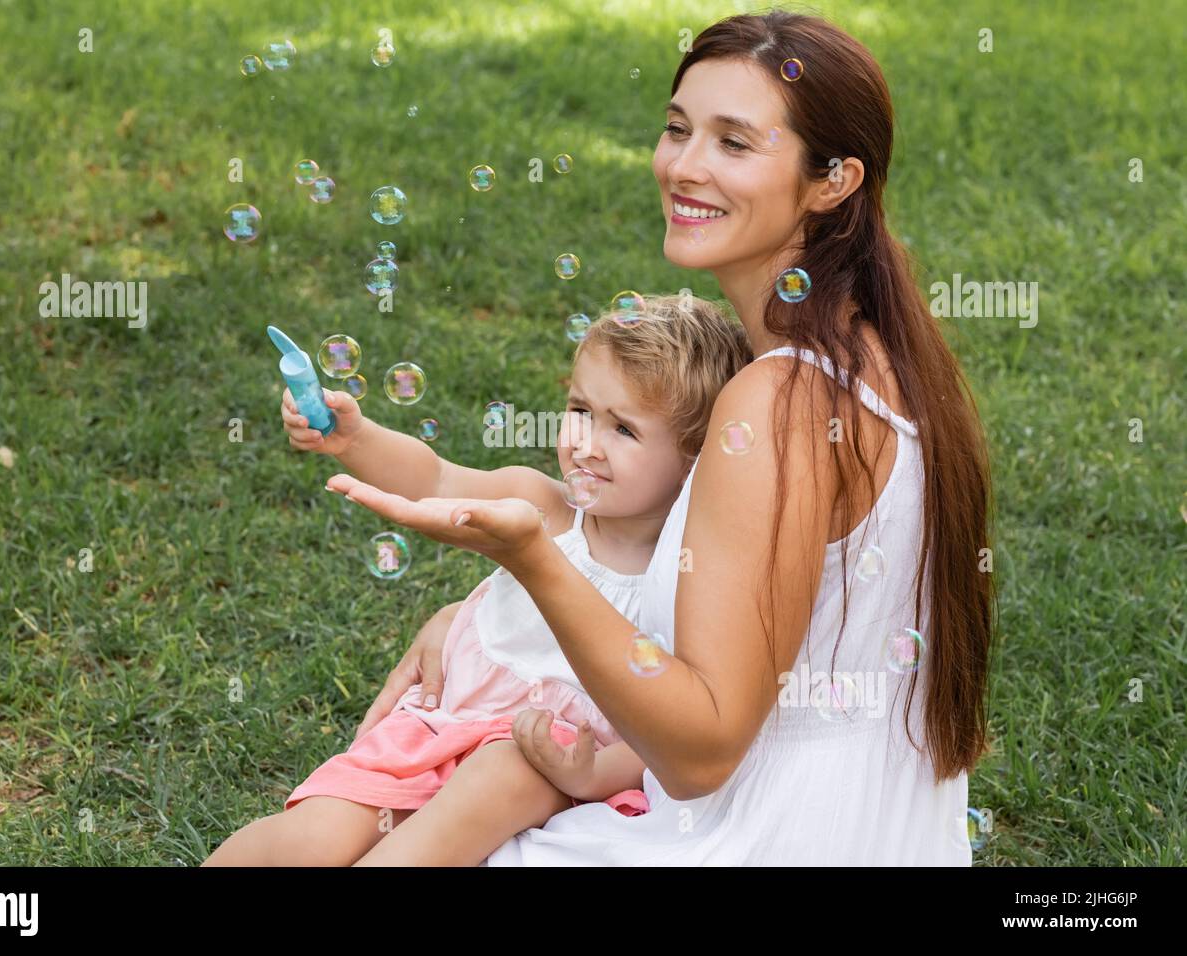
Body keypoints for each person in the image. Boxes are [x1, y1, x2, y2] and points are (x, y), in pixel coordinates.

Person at [326, 10, 995, 865]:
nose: (683, 165)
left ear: (833, 181)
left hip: (759, 833)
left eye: (734, 143)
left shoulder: (778, 402)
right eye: (678, 129)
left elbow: (701, 748)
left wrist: (533, 560)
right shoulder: (878, 350)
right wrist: (481, 620)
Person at [203, 295, 751, 865]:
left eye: (624, 430)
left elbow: (674, 728)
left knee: (505, 767)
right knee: (314, 837)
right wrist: (356, 439)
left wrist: (593, 773)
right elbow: (435, 479)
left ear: (695, 458)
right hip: (444, 724)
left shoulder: (685, 576)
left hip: (542, 760)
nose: (586, 444)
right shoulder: (543, 504)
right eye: (581, 410)